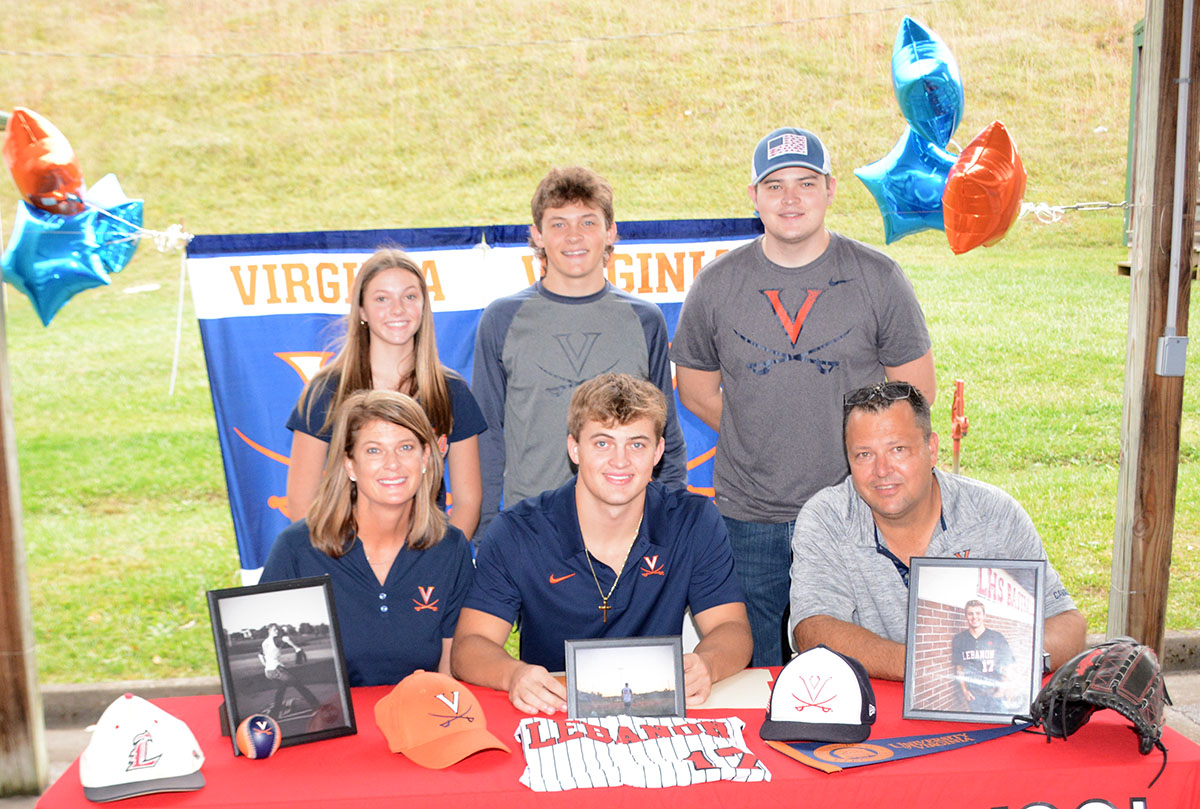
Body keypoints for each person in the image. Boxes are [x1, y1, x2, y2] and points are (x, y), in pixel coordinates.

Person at [671, 126, 936, 668]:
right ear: (753, 197)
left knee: (857, 671)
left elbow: (915, 394)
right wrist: (757, 425)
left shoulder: (877, 278)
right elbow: (694, 389)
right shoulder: (717, 284)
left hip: (855, 510)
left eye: (805, 183)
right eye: (774, 185)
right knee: (750, 674)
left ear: (831, 189)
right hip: (749, 517)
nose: (790, 198)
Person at [451, 374, 751, 714]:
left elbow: (732, 629)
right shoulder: (518, 532)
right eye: (603, 443)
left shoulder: (693, 521)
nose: (620, 461)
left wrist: (707, 664)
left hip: (659, 712)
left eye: (636, 444)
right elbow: (470, 646)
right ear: (574, 448)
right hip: (552, 710)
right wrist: (513, 674)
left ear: (659, 451)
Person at [789, 381, 1087, 680]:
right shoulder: (827, 518)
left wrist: (1000, 660)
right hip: (874, 710)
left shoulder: (994, 515)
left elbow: (1067, 625)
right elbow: (813, 629)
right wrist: (931, 666)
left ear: (932, 449)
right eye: (864, 455)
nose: (881, 470)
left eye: (898, 449)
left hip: (984, 698)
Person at [472, 167, 687, 535]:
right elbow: (487, 435)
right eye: (558, 224)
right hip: (533, 528)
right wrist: (488, 530)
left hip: (627, 526)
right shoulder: (502, 319)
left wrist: (667, 524)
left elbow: (666, 432)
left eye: (588, 222)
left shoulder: (644, 320)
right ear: (537, 235)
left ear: (611, 232)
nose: (573, 236)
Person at [263, 390, 475, 686]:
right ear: (350, 465)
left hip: (418, 722)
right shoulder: (297, 549)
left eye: (405, 447)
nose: (392, 464)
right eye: (374, 450)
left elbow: (450, 671)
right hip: (329, 725)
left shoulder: (450, 548)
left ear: (426, 457)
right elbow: (263, 665)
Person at [286, 247, 486, 538]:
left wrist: (442, 562)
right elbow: (300, 502)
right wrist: (335, 564)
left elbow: (469, 502)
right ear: (362, 310)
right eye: (382, 298)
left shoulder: (451, 392)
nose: (397, 309)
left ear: (423, 306)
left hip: (424, 559)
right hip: (347, 561)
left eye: (410, 296)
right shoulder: (327, 391)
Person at [952, 600, 1014, 713]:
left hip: (995, 693)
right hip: (975, 695)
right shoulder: (959, 639)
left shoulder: (997, 637)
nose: (974, 617)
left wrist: (1002, 689)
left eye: (978, 613)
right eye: (970, 613)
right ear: (966, 616)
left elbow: (1008, 664)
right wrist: (964, 690)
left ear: (984, 615)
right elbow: (959, 668)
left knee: (998, 726)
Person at [258, 623, 321, 717]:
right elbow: (285, 639)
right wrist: (296, 648)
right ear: (269, 631)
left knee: (281, 689)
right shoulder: (276, 640)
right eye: (275, 629)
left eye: (278, 629)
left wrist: (266, 665)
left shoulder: (264, 642)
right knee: (298, 684)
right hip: (277, 669)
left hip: (268, 672)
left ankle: (275, 712)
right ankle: (316, 705)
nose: (277, 631)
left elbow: (260, 655)